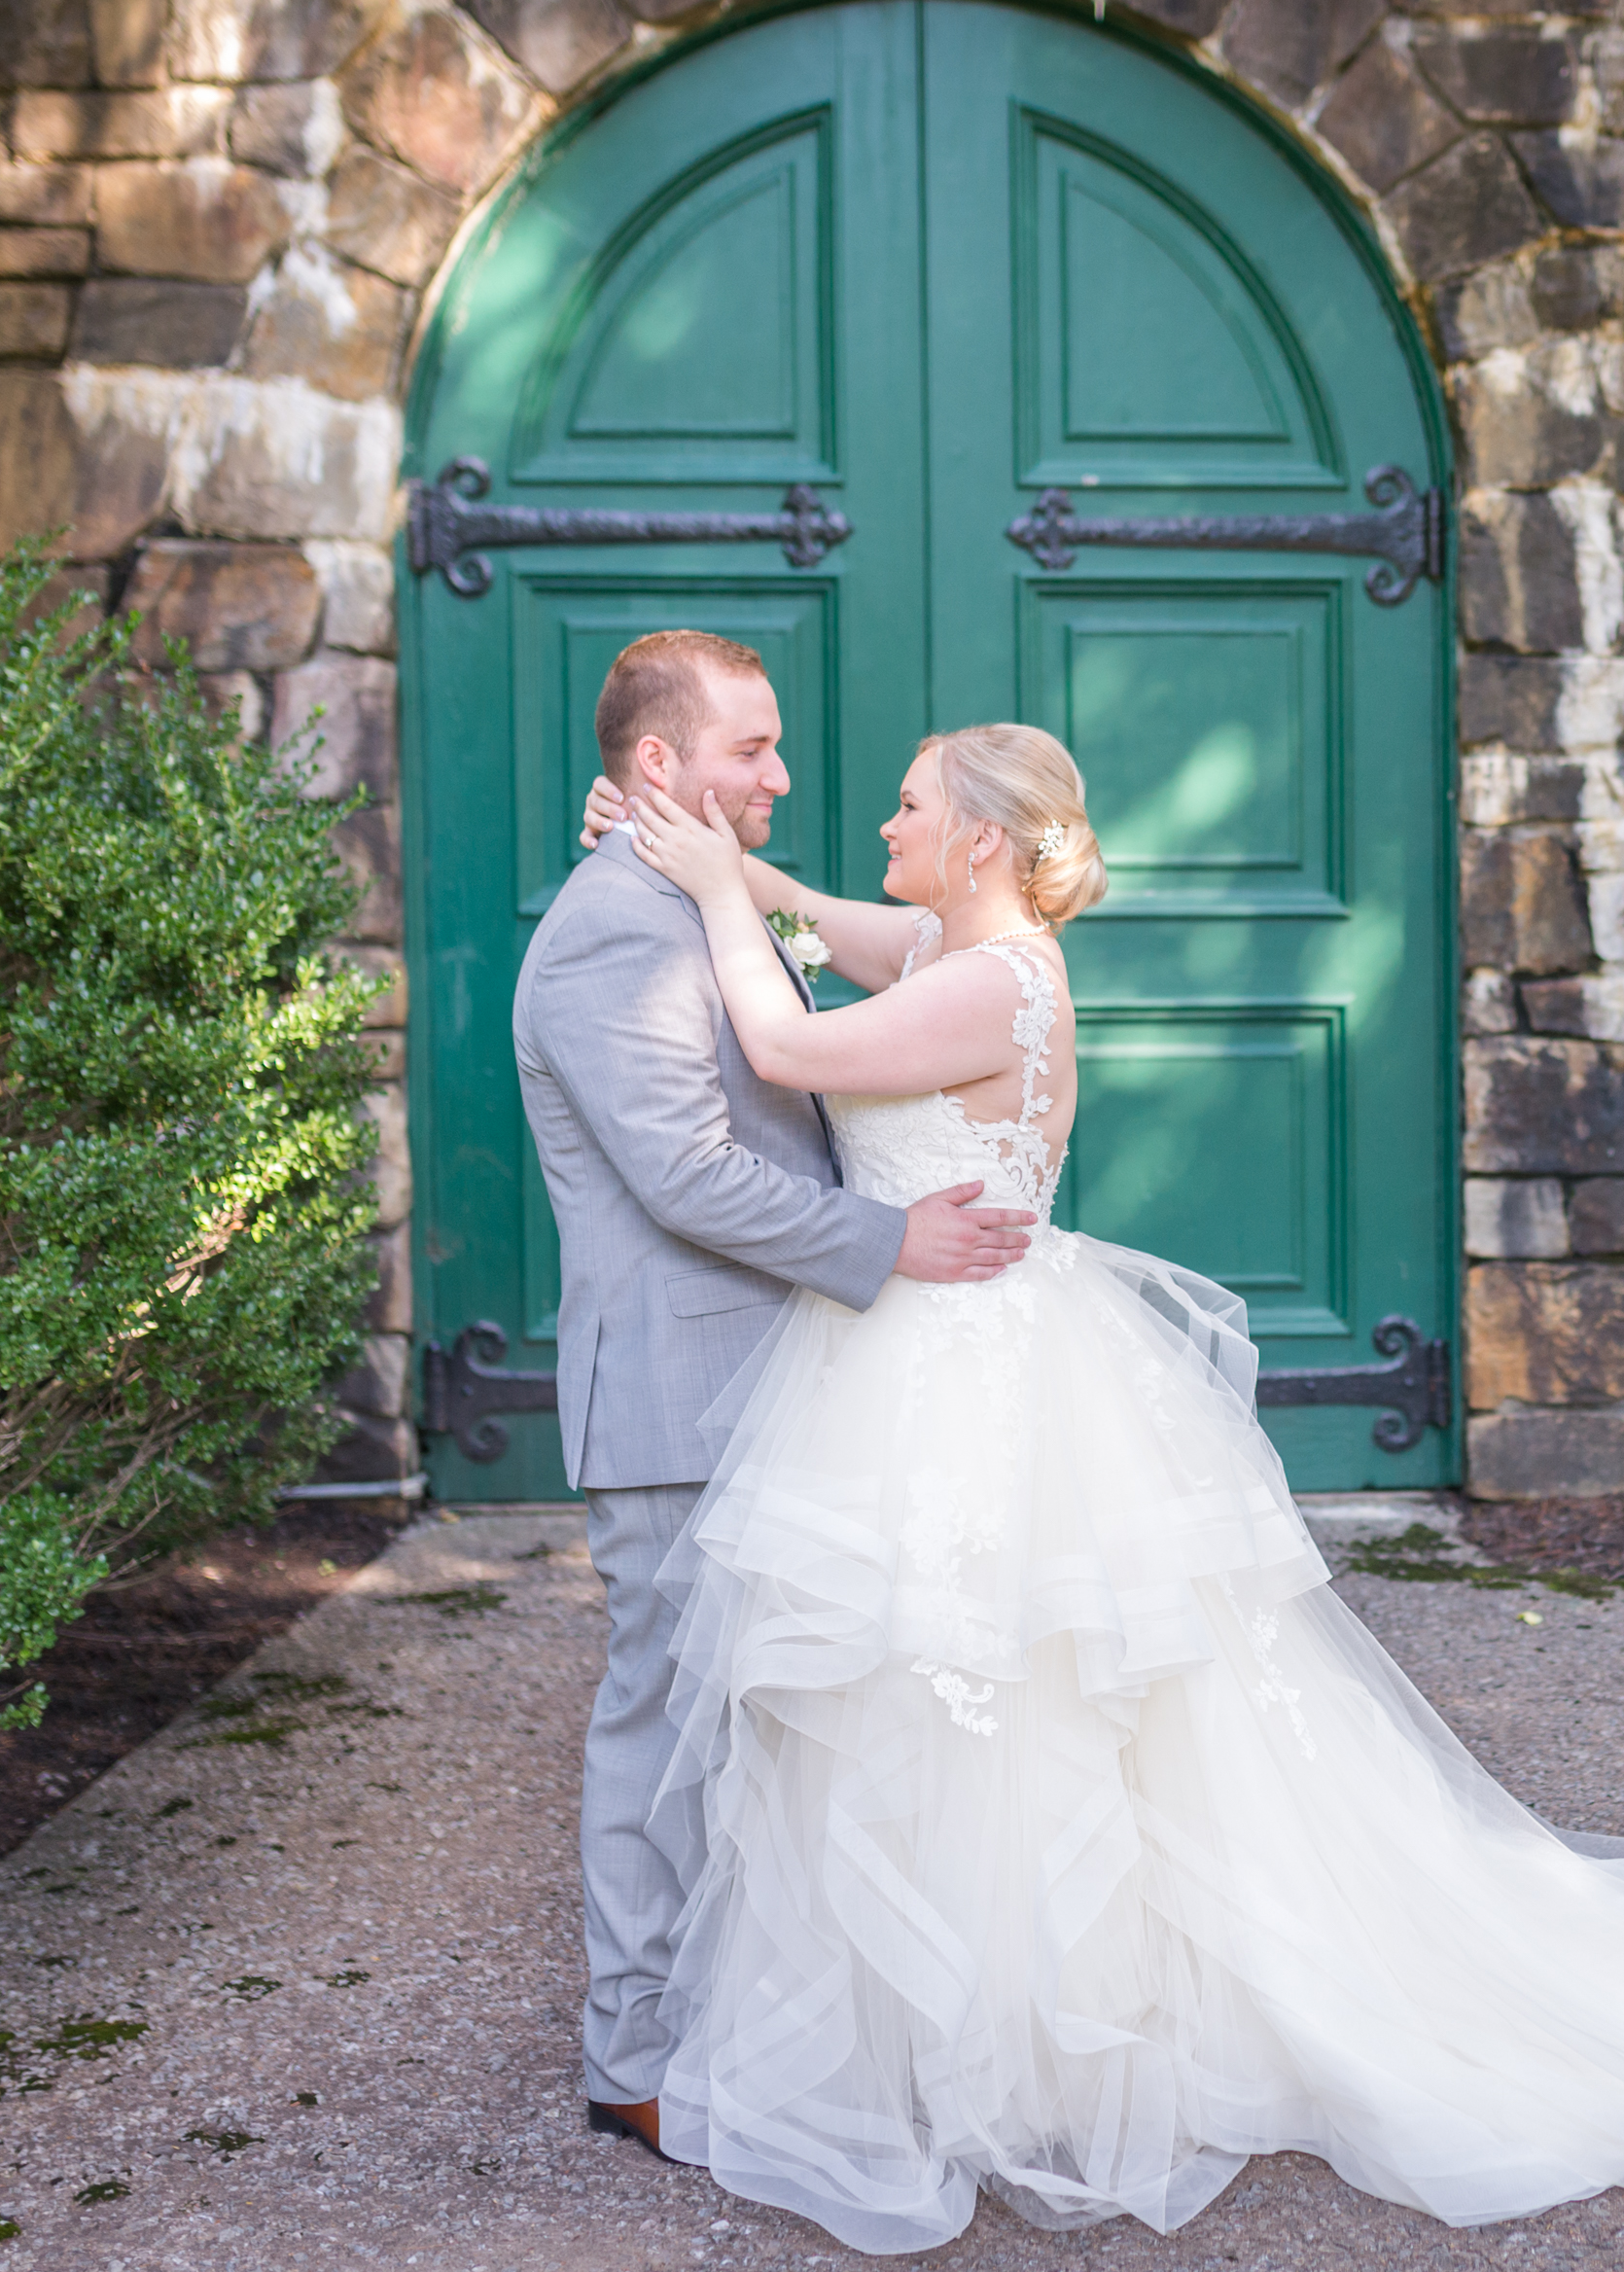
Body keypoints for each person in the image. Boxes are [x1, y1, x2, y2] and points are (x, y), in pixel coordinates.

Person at [576, 721, 1624, 2251]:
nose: (886, 822)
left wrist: (711, 895)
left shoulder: (989, 984)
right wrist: (717, 855)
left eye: (914, 805)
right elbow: (829, 922)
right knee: (948, 1706)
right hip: (941, 1359)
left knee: (1004, 1699)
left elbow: (782, 1040)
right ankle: (973, 2028)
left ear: (982, 840)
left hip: (964, 1375)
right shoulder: (954, 945)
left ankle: (1023, 2042)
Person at [512, 631, 1038, 2165]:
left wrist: (737, 875)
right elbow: (685, 1173)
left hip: (783, 1380)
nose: (783, 776)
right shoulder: (613, 932)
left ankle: (766, 2029)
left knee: (780, 1738)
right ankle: (635, 2062)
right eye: (750, 750)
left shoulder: (695, 892)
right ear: (657, 764)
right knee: (667, 1731)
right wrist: (888, 1242)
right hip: (679, 1393)